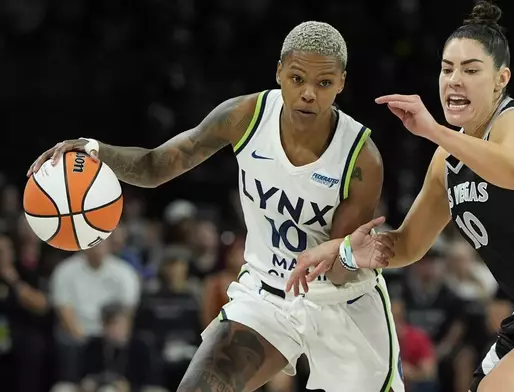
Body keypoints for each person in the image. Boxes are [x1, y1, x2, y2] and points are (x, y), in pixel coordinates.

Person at [28, 21, 404, 392]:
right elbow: (157, 166)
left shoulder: (360, 157)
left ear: (341, 83)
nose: (309, 93)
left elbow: (337, 271)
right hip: (267, 295)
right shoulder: (244, 116)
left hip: (341, 302)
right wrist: (95, 150)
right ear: (279, 72)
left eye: (324, 83)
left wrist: (349, 255)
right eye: (297, 78)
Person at [288, 2, 514, 392]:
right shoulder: (446, 161)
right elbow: (408, 243)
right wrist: (345, 251)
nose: (455, 80)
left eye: (471, 70)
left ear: (500, 79)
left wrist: (436, 131)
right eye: (447, 68)